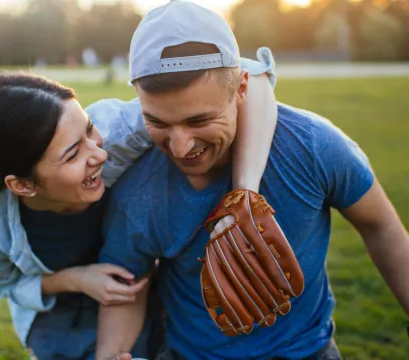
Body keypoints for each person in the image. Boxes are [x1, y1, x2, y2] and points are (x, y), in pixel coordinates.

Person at [94, 1, 409, 360]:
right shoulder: (138, 189)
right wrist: (111, 354)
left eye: (199, 121)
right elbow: (127, 288)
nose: (180, 147)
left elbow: (380, 225)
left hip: (309, 352)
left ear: (242, 88)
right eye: (158, 123)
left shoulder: (313, 146)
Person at [0, 46, 278, 360]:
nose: (98, 153)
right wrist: (75, 279)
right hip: (58, 319)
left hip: (142, 294)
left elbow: (253, 76)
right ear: (22, 184)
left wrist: (244, 194)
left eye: (89, 130)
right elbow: (7, 283)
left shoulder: (116, 134)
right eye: (72, 155)